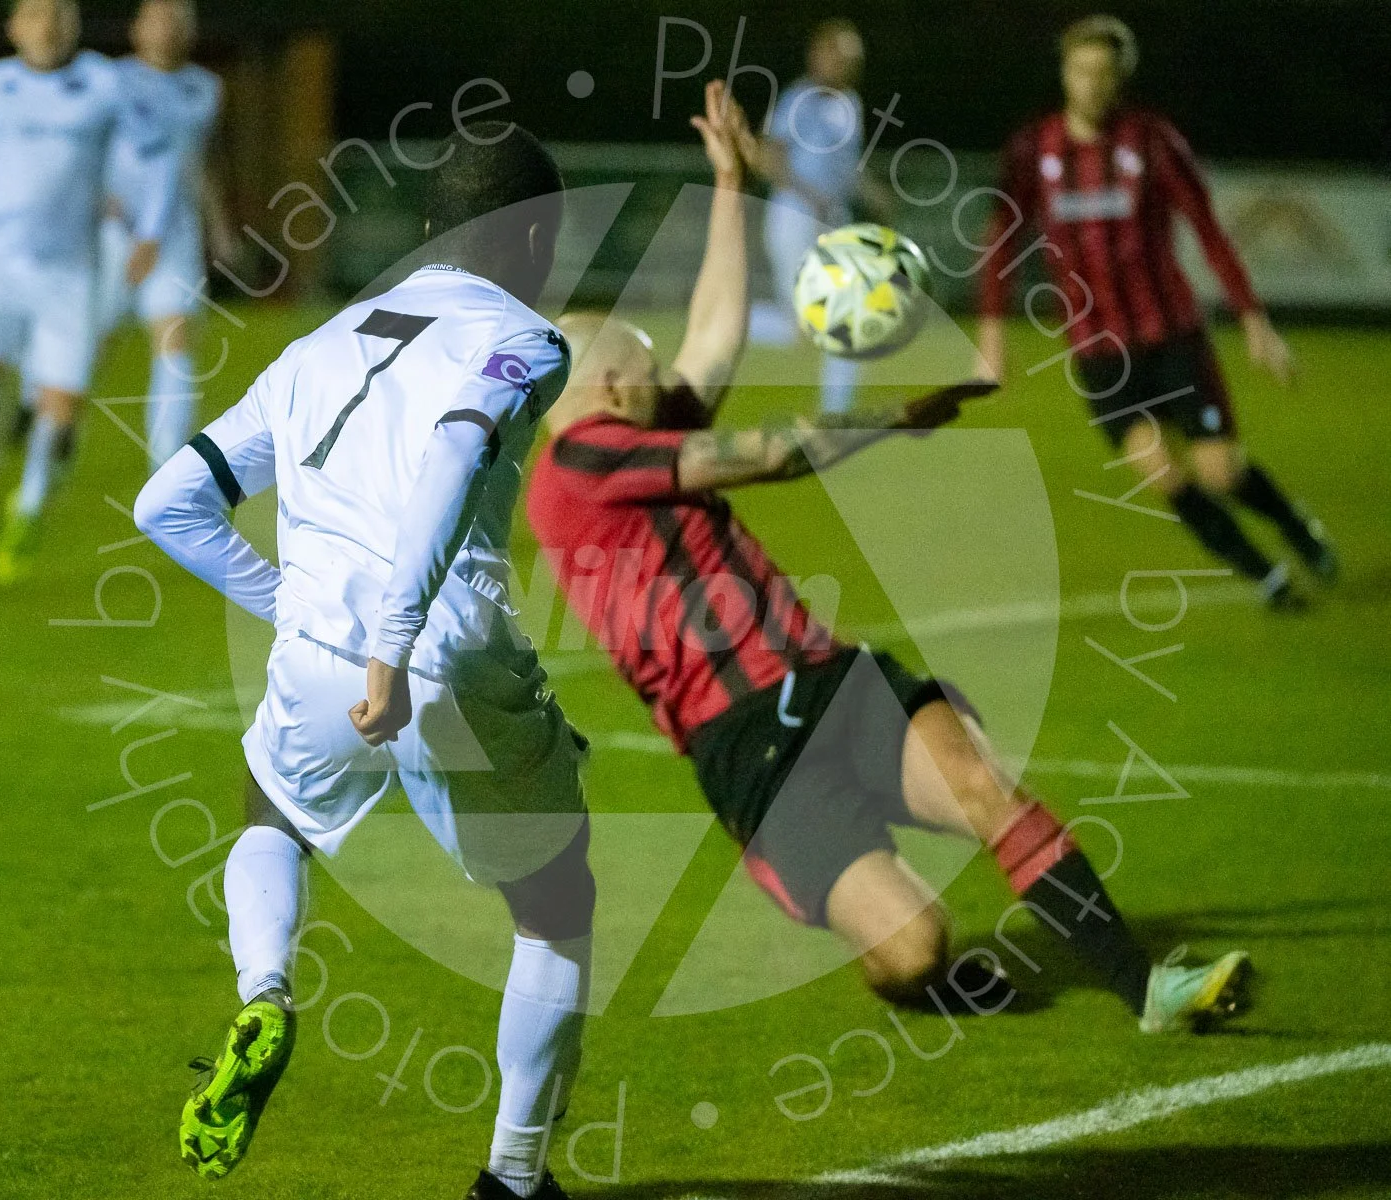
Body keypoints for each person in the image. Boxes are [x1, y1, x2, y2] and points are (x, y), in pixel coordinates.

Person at [528, 80, 1251, 1034]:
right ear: (613, 384)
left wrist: (732, 185)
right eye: (646, 371)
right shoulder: (577, 466)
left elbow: (713, 334)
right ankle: (924, 974)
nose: (667, 380)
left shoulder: (626, 429)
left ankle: (1145, 987)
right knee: (914, 949)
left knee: (987, 791)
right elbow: (768, 455)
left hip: (828, 680)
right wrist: (889, 419)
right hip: (747, 750)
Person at [135, 122, 594, 1200]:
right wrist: (393, 644)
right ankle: (515, 1180)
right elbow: (453, 451)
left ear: (434, 230)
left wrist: (295, 606)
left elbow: (170, 502)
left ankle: (265, 990)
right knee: (554, 905)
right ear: (535, 238)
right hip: (444, 651)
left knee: (273, 808)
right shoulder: (528, 337)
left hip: (314, 663)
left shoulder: (316, 346)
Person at [978, 14, 1335, 610]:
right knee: (1160, 470)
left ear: (1121, 79)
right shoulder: (1031, 149)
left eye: (1103, 73)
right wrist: (992, 336)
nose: (1090, 83)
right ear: (1065, 73)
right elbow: (1001, 241)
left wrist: (1254, 320)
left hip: (1171, 336)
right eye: (1080, 70)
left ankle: (1296, 527)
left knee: (1219, 470)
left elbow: (1209, 231)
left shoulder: (1150, 140)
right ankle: (1267, 578)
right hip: (1097, 349)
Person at [0, 0, 179, 590]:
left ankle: (26, 511)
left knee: (58, 421)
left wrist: (151, 231)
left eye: (59, 15)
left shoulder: (104, 85)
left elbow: (160, 157)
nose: (48, 26)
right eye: (35, 14)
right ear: (13, 26)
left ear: (76, 25)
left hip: (70, 277)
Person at [13, 0, 232, 465]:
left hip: (174, 233)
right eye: (158, 21)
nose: (167, 31)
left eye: (177, 22)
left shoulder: (204, 89)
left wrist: (220, 228)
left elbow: (199, 166)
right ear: (137, 29)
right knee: (93, 335)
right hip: (113, 232)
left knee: (174, 337)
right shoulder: (109, 81)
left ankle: (168, 462)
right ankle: (40, 401)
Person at [753, 17, 895, 414]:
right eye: (842, 56)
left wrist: (874, 193)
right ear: (819, 55)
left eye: (855, 58)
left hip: (834, 222)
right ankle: (735, 320)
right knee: (804, 328)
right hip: (794, 219)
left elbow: (847, 171)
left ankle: (837, 413)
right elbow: (767, 158)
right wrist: (808, 194)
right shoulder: (798, 99)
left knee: (849, 314)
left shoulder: (850, 104)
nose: (850, 65)